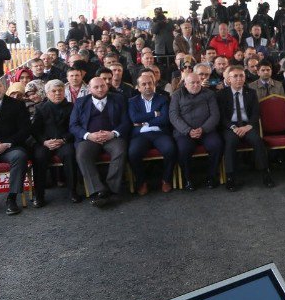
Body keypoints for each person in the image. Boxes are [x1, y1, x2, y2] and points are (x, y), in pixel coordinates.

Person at [69, 76, 130, 208]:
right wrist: (88, 135)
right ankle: (98, 190)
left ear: (107, 86)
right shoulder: (80, 102)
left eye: (102, 86)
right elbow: (73, 125)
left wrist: (113, 133)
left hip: (112, 137)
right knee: (82, 154)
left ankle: (111, 189)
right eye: (96, 87)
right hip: (90, 138)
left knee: (120, 150)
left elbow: (126, 122)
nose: (100, 89)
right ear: (89, 89)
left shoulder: (118, 99)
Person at [217, 65, 274, 190]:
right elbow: (221, 117)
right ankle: (230, 177)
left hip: (247, 125)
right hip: (230, 126)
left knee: (258, 141)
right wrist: (233, 127)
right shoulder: (221, 94)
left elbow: (256, 113)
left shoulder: (251, 93)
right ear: (229, 79)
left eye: (241, 76)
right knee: (230, 142)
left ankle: (265, 173)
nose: (239, 79)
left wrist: (248, 126)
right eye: (235, 76)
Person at [169, 72, 223, 191]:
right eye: (192, 83)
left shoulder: (209, 94)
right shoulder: (177, 95)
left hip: (206, 130)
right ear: (185, 84)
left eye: (198, 82)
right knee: (184, 149)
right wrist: (188, 130)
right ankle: (188, 179)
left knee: (216, 145)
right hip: (184, 132)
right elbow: (174, 116)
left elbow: (215, 115)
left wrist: (203, 129)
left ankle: (211, 176)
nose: (196, 85)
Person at [0, 76, 32, 215]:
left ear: (4, 87)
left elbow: (25, 130)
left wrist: (6, 144)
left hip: (9, 148)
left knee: (20, 156)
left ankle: (11, 199)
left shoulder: (16, 105)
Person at [127, 71, 177, 195]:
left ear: (154, 84)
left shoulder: (163, 99)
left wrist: (145, 121)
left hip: (159, 133)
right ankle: (142, 182)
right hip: (140, 135)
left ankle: (166, 180)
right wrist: (154, 114)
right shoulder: (132, 101)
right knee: (133, 153)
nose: (147, 86)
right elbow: (134, 119)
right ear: (138, 88)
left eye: (150, 83)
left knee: (170, 149)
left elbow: (165, 119)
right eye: (144, 84)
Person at [31, 80, 78, 207]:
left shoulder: (72, 107)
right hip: (45, 143)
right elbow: (35, 130)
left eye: (60, 91)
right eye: (54, 91)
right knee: (39, 157)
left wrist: (63, 140)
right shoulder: (40, 108)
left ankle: (72, 191)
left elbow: (75, 127)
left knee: (70, 154)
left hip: (65, 141)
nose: (58, 93)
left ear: (64, 92)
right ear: (47, 93)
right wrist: (44, 142)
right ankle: (39, 195)